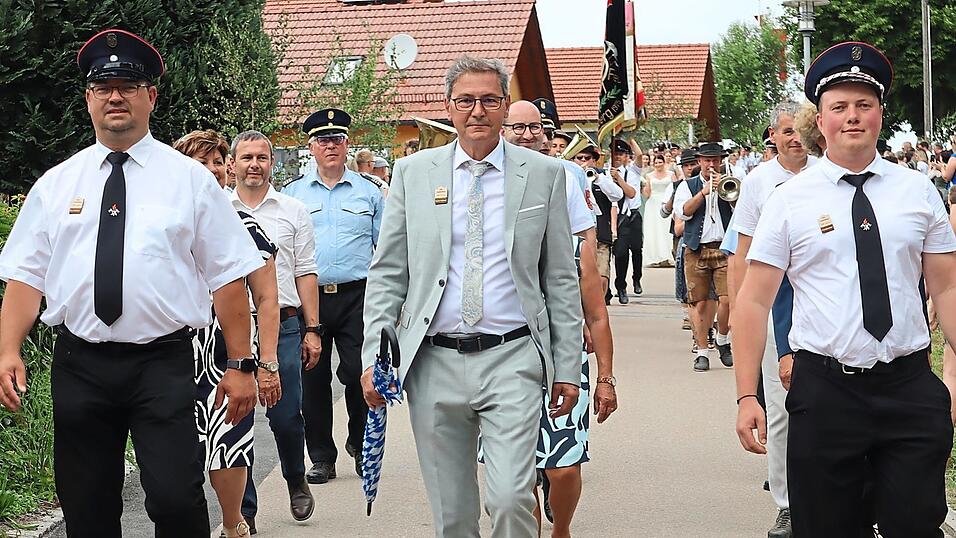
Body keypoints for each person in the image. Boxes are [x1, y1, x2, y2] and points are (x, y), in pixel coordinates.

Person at [0, 29, 265, 537]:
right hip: (80, 362)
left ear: (151, 96)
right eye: (103, 87)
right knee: (86, 505)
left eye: (128, 86)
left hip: (160, 362)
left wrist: (240, 365)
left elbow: (228, 278)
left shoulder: (190, 180)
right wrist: (8, 348)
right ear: (89, 99)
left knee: (175, 497)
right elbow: (26, 276)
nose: (114, 97)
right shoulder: (57, 184)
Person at [734, 42, 956, 538]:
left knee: (916, 523)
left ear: (880, 114)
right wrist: (747, 394)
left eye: (864, 104)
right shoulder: (789, 200)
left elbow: (946, 287)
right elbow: (753, 299)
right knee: (826, 527)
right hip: (826, 392)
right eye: (839, 107)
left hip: (908, 386)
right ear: (821, 120)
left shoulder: (918, 191)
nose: (852, 116)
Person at [360, 55, 582, 538]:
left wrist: (567, 366)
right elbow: (388, 272)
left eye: (488, 100)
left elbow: (561, 278)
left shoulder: (544, 173)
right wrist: (374, 358)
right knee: (453, 516)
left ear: (504, 106)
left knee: (511, 499)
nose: (477, 111)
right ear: (448, 108)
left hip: (513, 357)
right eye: (465, 101)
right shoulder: (413, 173)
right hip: (433, 361)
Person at [173, 130, 281, 538]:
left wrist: (266, 363)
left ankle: (234, 521)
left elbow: (267, 299)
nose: (211, 169)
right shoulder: (162, 223)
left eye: (217, 162)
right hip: (169, 353)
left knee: (228, 443)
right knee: (175, 454)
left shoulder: (245, 226)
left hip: (227, 355)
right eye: (200, 162)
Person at [729, 100, 817, 538]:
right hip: (771, 306)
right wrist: (738, 313)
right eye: (785, 131)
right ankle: (787, 505)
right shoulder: (758, 183)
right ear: (773, 136)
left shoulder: (827, 173)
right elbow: (742, 254)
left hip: (820, 304)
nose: (794, 139)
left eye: (799, 130)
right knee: (780, 409)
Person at [284, 109, 384, 485]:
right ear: (311, 147)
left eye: (337, 139)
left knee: (359, 372)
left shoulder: (368, 191)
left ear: (347, 145)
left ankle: (358, 443)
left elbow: (385, 248)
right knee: (312, 379)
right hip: (309, 297)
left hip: (358, 295)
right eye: (323, 140)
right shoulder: (293, 193)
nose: (331, 146)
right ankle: (322, 456)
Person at [229, 131, 320, 527]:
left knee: (285, 415)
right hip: (231, 328)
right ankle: (244, 510)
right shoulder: (218, 209)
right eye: (247, 157)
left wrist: (312, 328)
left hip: (283, 325)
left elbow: (305, 271)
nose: (255, 164)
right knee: (237, 419)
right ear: (233, 164)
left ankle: (295, 478)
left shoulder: (292, 210)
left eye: (262, 158)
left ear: (272, 163)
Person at [674, 143, 734, 372]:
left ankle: (722, 338)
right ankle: (701, 352)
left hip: (724, 249)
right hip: (696, 249)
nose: (711, 164)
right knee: (698, 303)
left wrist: (728, 194)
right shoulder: (688, 186)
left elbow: (742, 211)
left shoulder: (731, 181)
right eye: (707, 160)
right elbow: (683, 213)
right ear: (699, 161)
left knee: (727, 300)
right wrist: (703, 193)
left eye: (716, 160)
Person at [574, 143, 624, 303]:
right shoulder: (568, 175)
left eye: (587, 158)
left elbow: (617, 195)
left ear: (594, 161)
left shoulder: (602, 176)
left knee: (602, 275)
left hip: (600, 230)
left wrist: (598, 178)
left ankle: (600, 305)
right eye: (579, 158)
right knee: (582, 274)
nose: (583, 161)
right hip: (578, 232)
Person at [609, 138, 649, 301]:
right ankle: (621, 286)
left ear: (627, 156)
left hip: (633, 215)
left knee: (637, 249)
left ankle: (636, 277)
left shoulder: (633, 171)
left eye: (621, 154)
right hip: (619, 217)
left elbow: (639, 155)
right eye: (615, 153)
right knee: (620, 253)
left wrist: (630, 137)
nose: (618, 157)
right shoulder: (607, 172)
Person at [643, 154, 678, 267]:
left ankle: (668, 256)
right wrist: (643, 187)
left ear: (664, 163)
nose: (658, 165)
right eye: (656, 163)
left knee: (666, 229)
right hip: (653, 204)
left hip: (667, 202)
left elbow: (676, 187)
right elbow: (647, 194)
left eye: (660, 162)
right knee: (654, 230)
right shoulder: (649, 176)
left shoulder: (671, 174)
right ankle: (655, 257)